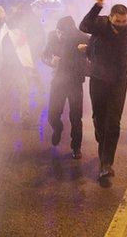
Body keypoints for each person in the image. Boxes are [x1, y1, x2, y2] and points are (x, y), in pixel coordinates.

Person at [79, 0, 127, 187]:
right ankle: (103, 150)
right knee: (99, 121)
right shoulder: (100, 23)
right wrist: (97, 6)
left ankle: (106, 163)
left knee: (114, 122)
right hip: (98, 80)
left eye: (124, 21)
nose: (122, 24)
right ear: (111, 18)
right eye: (118, 21)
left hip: (118, 81)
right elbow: (84, 26)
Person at [42, 16, 89, 159]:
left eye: (63, 33)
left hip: (74, 81)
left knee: (75, 117)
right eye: (58, 31)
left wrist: (86, 52)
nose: (60, 35)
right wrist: (51, 61)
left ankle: (76, 147)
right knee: (52, 114)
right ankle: (58, 128)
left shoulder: (82, 37)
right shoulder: (52, 36)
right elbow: (44, 55)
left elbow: (94, 53)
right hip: (58, 81)